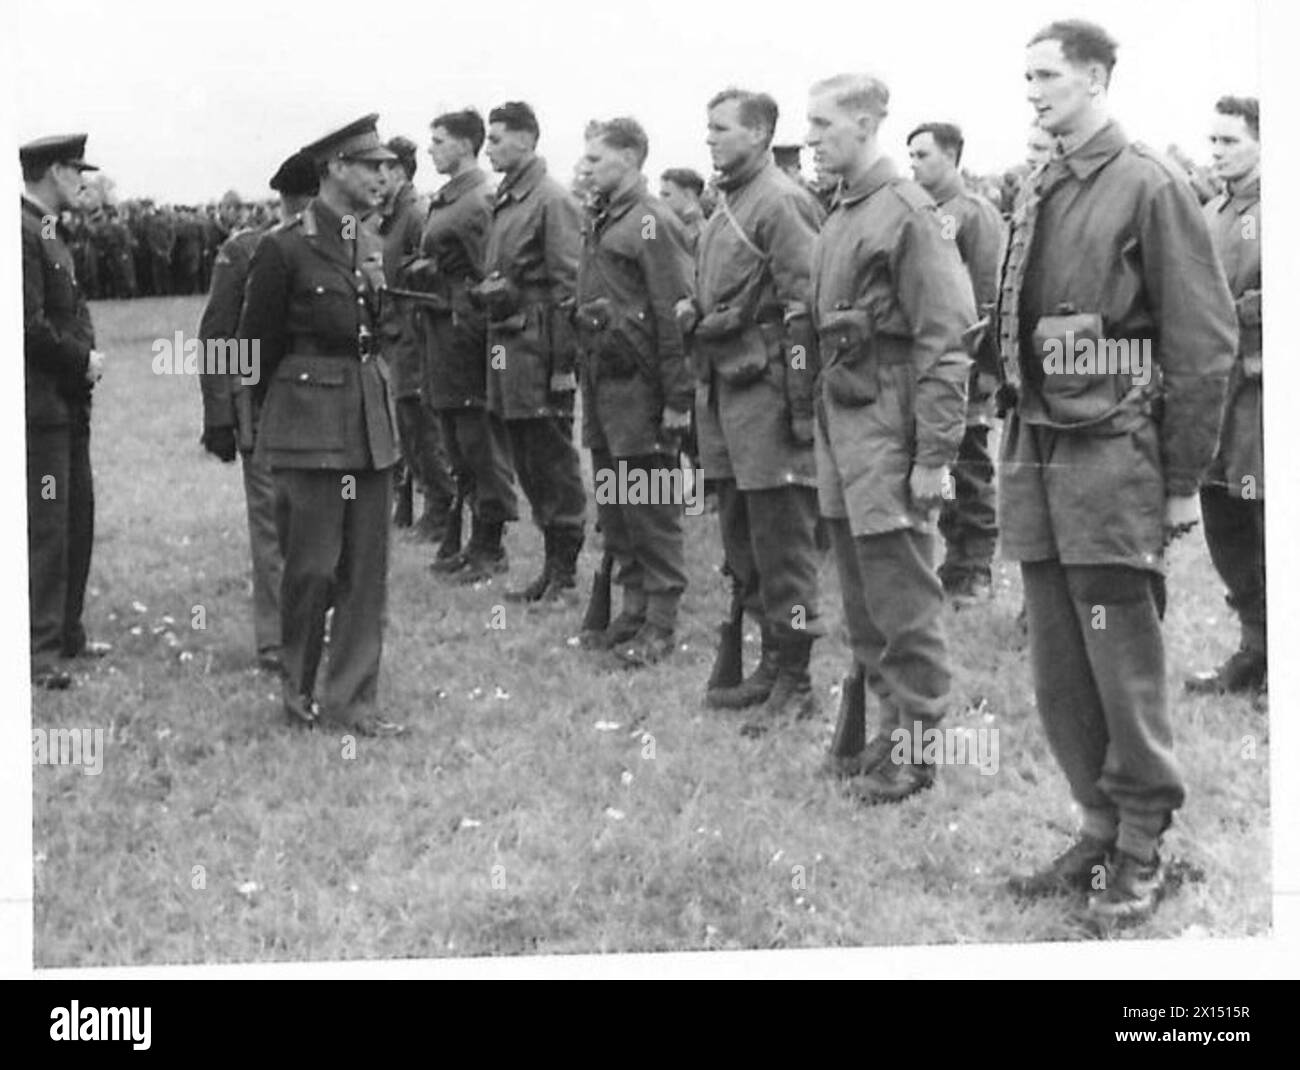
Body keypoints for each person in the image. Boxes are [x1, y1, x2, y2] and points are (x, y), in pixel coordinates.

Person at [999, 20, 1236, 923]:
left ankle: (1144, 846)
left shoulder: (1148, 183)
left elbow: (1203, 344)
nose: (1034, 89)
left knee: (1120, 653)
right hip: (1039, 448)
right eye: (1026, 76)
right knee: (1058, 658)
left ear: (1097, 76)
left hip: (1111, 455)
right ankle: (1097, 829)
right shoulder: (1042, 179)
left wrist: (1180, 480)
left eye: (1049, 74)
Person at [807, 76, 977, 802]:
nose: (812, 138)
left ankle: (918, 747)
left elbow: (947, 341)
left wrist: (935, 457)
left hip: (888, 431)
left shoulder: (909, 213)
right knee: (864, 598)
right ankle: (886, 727)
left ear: (868, 122)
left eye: (823, 125)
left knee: (904, 600)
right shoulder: (842, 210)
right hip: (843, 428)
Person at [237, 115, 405, 737]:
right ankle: (298, 686)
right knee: (310, 567)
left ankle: (353, 699)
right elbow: (254, 346)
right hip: (310, 429)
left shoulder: (370, 242)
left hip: (368, 421)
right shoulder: (284, 247)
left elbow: (382, 330)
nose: (383, 177)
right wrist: (258, 429)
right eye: (371, 166)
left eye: (387, 168)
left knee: (366, 569)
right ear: (335, 168)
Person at [682, 87, 825, 732]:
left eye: (721, 128)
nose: (709, 137)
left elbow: (806, 316)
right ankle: (769, 667)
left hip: (768, 399)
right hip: (727, 394)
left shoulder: (782, 202)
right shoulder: (727, 204)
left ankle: (796, 679)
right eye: (708, 127)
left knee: (785, 550)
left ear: (761, 133)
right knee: (746, 544)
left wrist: (798, 412)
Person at [573, 118, 694, 666]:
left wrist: (676, 400)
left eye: (596, 159)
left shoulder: (650, 223)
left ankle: (661, 622)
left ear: (629, 159)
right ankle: (633, 607)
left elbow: (674, 315)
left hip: (642, 389)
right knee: (618, 503)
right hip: (604, 384)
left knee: (649, 505)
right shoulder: (603, 220)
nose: (586, 167)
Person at [199, 150, 319, 675]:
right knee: (272, 525)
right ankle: (276, 640)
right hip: (265, 409)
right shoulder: (248, 249)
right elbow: (218, 334)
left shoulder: (341, 250)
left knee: (316, 527)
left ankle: (314, 628)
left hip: (322, 409)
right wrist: (220, 415)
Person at [479, 101, 587, 604]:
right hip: (508, 346)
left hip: (540, 351)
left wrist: (564, 366)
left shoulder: (551, 201)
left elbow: (570, 289)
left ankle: (564, 569)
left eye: (498, 138)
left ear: (528, 139)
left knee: (550, 458)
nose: (490, 147)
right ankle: (551, 564)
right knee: (524, 454)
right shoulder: (509, 199)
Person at [411, 109, 521, 583]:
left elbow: (488, 276)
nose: (431, 148)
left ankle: (490, 546)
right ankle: (470, 538)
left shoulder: (477, 200)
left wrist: (446, 286)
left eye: (439, 141)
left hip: (465, 334)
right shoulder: (451, 196)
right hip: (443, 332)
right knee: (457, 443)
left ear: (464, 144)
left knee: (479, 442)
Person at [21, 134, 111, 690]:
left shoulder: (48, 231)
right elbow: (27, 326)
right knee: (48, 528)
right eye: (77, 171)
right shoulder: (22, 233)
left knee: (77, 519)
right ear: (53, 171)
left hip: (66, 404)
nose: (84, 181)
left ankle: (67, 632)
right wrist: (83, 357)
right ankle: (39, 648)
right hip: (39, 408)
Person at [1187, 96, 1265, 695]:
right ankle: (1255, 648)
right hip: (1217, 392)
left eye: (1229, 141)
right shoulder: (1211, 211)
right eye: (1211, 142)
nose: (1216, 152)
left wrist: (1227, 314)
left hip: (1263, 395)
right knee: (1226, 522)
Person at [907, 122, 1003, 604]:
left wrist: (983, 366)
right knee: (943, 468)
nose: (914, 165)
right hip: (931, 367)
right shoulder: (922, 214)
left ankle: (977, 566)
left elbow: (986, 293)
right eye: (911, 156)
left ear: (952, 156)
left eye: (924, 155)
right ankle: (955, 557)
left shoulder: (974, 213)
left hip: (964, 365)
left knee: (970, 468)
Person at [377, 135, 454, 541]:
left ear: (399, 171)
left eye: (381, 169)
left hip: (415, 333)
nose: (375, 178)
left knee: (423, 426)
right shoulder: (393, 215)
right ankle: (425, 501)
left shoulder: (416, 214)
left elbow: (431, 277)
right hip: (398, 334)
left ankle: (441, 505)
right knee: (408, 425)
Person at [658, 167, 706, 249]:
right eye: (660, 195)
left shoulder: (703, 234)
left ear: (689, 195)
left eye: (666, 195)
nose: (660, 200)